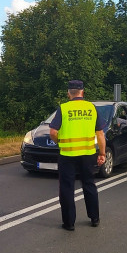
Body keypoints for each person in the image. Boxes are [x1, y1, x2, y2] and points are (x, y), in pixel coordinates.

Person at [49, 80, 106, 231]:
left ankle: (69, 223)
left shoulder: (64, 108)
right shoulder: (91, 107)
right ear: (82, 92)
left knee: (67, 188)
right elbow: (100, 134)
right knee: (89, 185)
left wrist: (60, 142)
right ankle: (94, 218)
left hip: (67, 155)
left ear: (69, 93)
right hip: (87, 154)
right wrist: (102, 153)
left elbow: (53, 132)